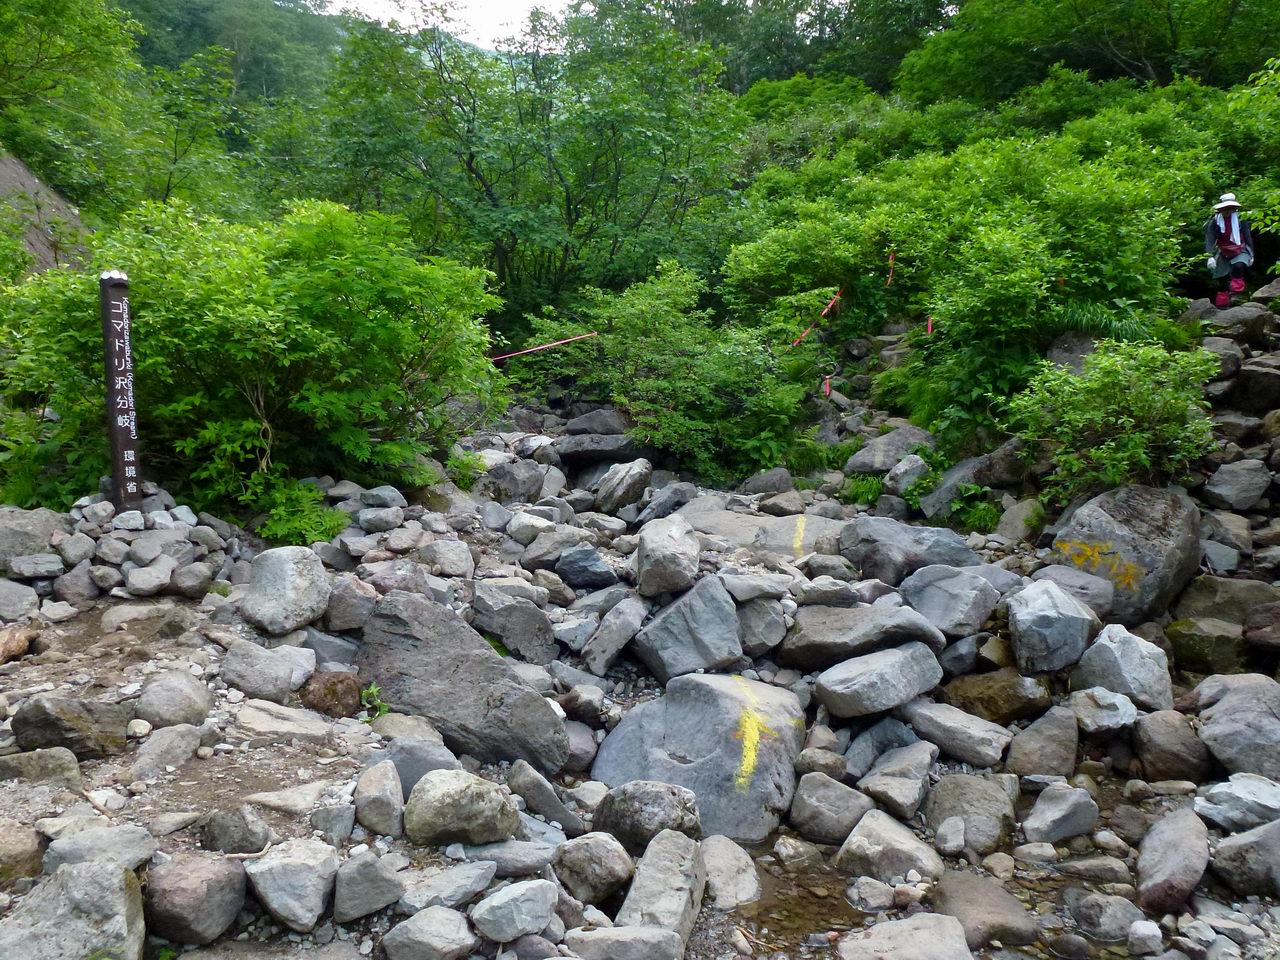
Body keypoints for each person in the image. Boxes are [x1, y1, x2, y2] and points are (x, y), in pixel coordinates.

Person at [1205, 193, 1254, 308]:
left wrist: (1252, 254)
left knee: (1239, 266)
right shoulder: (1215, 222)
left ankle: (1237, 294)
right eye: (1225, 209)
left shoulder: (1241, 219)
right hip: (1223, 251)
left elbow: (1248, 237)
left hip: (1240, 248)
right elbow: (1210, 239)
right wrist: (1209, 256)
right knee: (1222, 278)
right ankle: (1222, 304)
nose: (1227, 211)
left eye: (1230, 209)